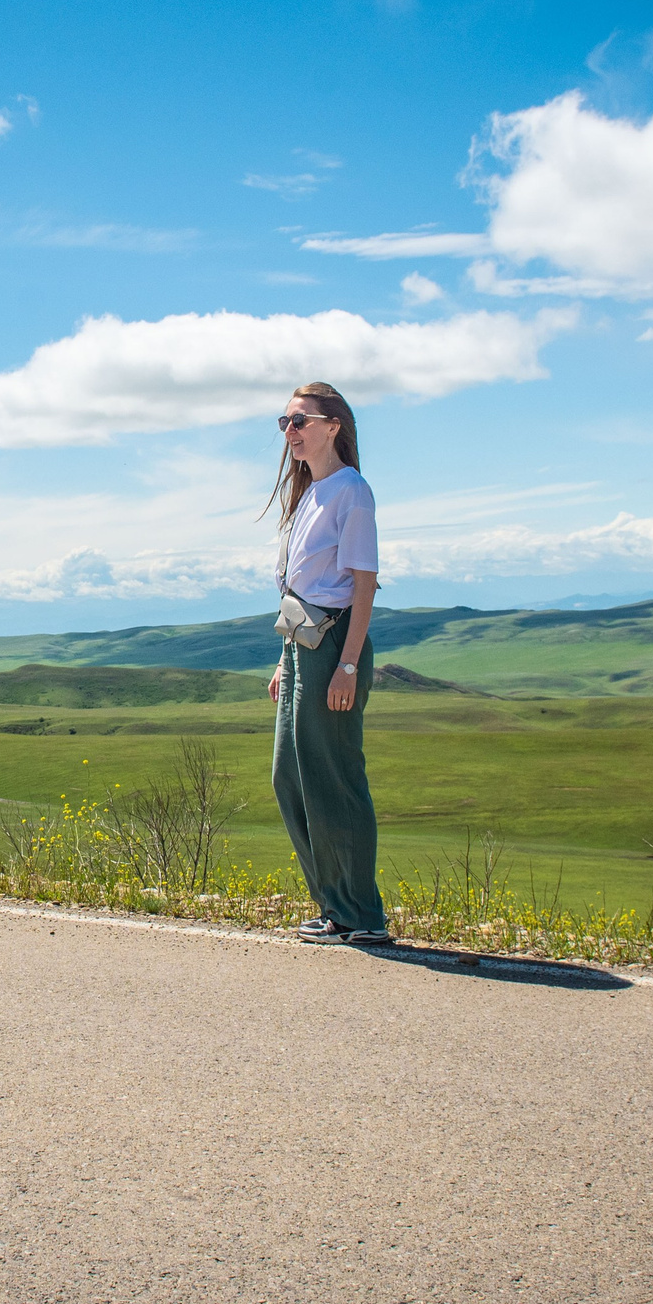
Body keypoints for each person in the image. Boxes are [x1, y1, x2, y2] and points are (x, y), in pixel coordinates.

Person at [264, 382, 388, 946]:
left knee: (334, 780)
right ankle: (334, 907)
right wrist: (282, 659)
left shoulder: (350, 492)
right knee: (290, 777)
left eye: (299, 421)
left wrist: (349, 665)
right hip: (299, 646)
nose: (289, 432)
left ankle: (362, 915)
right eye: (284, 423)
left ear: (332, 426)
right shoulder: (308, 494)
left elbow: (364, 585)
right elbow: (298, 585)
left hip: (334, 648)